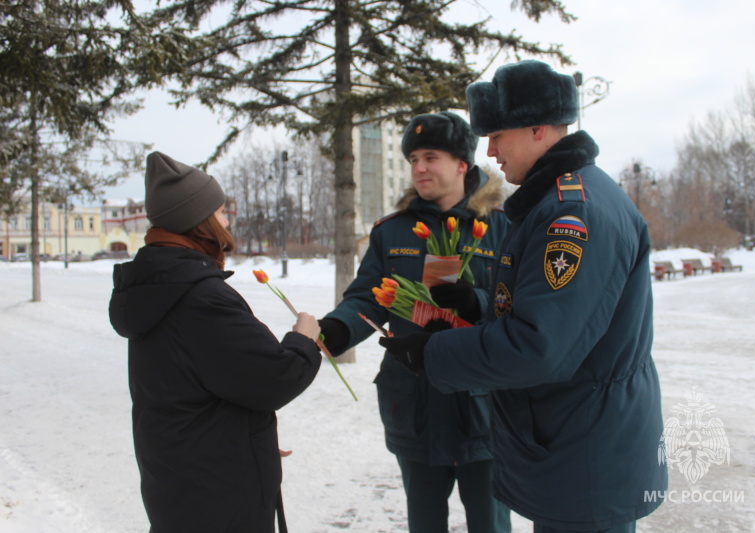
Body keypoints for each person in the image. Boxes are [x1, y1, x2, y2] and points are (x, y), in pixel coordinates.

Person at [380, 60, 669, 532]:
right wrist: (478, 304)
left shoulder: (572, 213)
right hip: (573, 445)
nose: (490, 151)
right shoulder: (557, 200)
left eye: (497, 135)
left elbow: (541, 347)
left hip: (585, 454)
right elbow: (554, 314)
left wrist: (433, 354)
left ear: (538, 128)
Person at [318, 111, 512, 532]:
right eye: (412, 160)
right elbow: (367, 298)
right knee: (424, 524)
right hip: (415, 404)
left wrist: (476, 300)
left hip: (484, 407)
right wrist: (338, 329)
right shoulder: (393, 232)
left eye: (430, 157)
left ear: (462, 164)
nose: (419, 168)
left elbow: (521, 307)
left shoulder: (501, 229)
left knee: (491, 524)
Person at [109, 151, 322, 533]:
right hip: (217, 495)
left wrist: (245, 441)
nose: (226, 221)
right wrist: (304, 337)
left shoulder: (159, 286)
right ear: (200, 221)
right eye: (221, 212)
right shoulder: (198, 297)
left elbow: (190, 386)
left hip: (182, 478)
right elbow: (274, 376)